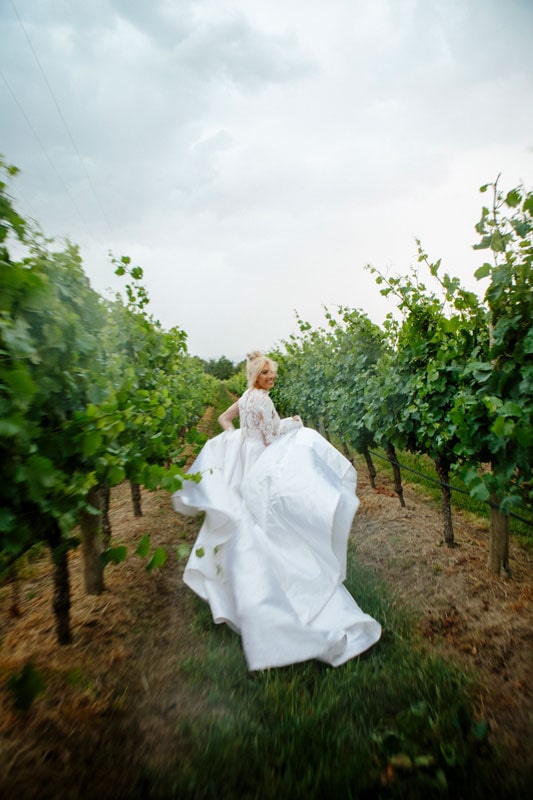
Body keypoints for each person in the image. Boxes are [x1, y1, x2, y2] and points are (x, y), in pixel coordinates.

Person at [172, 351, 381, 670]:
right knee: (273, 520)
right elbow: (272, 438)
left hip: (244, 461)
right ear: (257, 374)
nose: (272, 377)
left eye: (272, 372)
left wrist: (235, 442)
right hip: (262, 461)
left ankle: (240, 583)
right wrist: (294, 424)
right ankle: (279, 589)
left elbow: (224, 420)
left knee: (247, 524)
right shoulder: (264, 401)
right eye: (267, 373)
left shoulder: (245, 397)